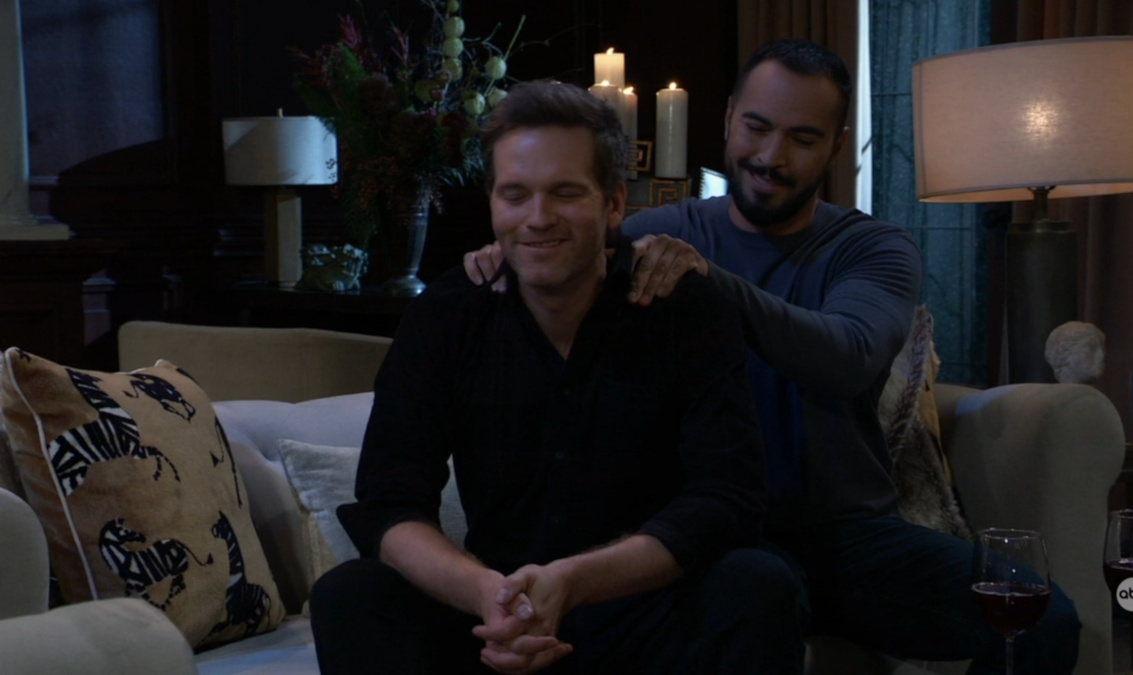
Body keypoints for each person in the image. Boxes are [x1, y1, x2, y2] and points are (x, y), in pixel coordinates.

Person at [466, 40, 1081, 672]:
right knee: (753, 593)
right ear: (729, 118)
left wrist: (711, 280)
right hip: (711, 537)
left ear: (836, 147)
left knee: (1043, 620)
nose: (770, 156)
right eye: (756, 127)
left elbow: (847, 357)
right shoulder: (660, 230)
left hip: (846, 535)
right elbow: (557, 245)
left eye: (802, 138)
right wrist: (503, 258)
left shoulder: (873, 248)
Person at [310, 80, 804, 674]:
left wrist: (571, 581)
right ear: (493, 204)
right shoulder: (446, 315)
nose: (538, 218)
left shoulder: (685, 309)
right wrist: (489, 596)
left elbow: (726, 498)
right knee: (351, 594)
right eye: (515, 195)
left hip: (640, 610)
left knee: (758, 583)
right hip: (494, 613)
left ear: (614, 204)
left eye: (565, 193)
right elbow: (390, 504)